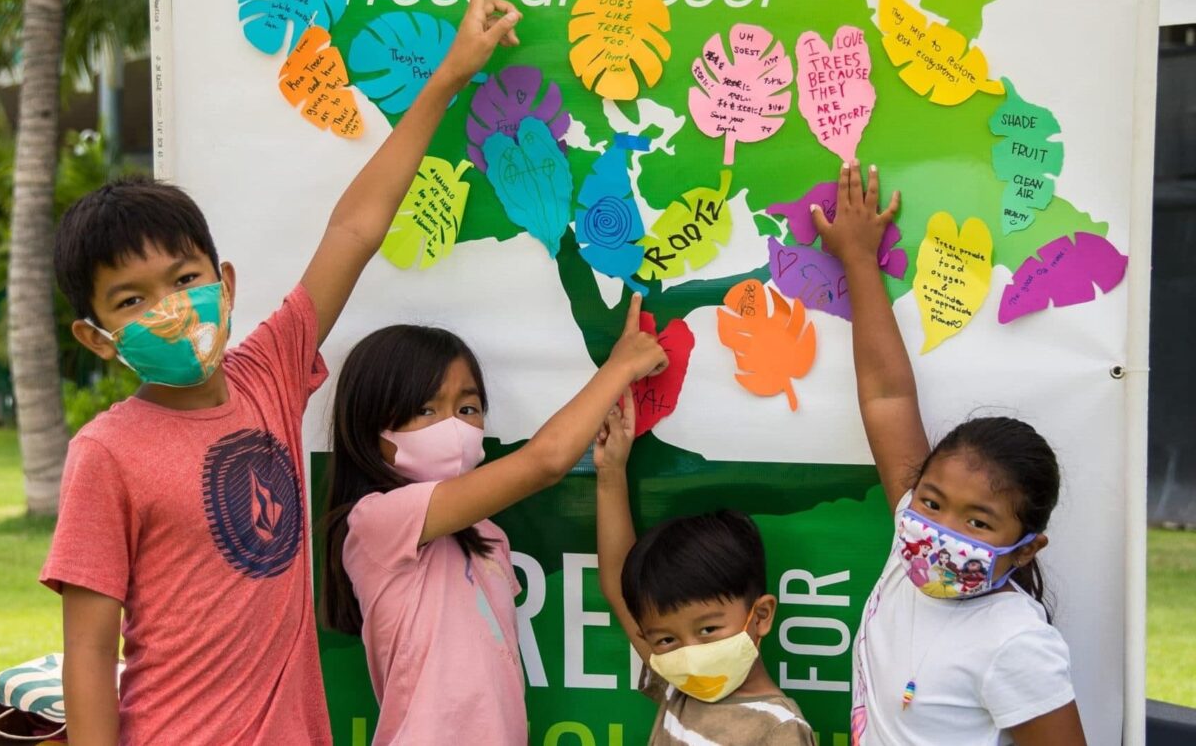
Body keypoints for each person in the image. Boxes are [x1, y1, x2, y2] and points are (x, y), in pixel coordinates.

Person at [39, 0, 522, 746]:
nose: (168, 308)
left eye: (184, 279)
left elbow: (354, 231)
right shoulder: (106, 452)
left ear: (224, 284)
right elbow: (90, 649)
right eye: (131, 300)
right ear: (97, 337)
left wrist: (449, 77)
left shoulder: (267, 373)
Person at [813, 161, 1086, 746]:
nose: (940, 532)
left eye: (979, 521)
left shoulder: (1014, 643)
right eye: (933, 503)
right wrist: (859, 260)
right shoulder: (906, 544)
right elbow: (887, 396)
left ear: (1024, 550)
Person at [319, 294, 666, 744]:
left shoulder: (487, 535)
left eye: (468, 409)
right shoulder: (377, 521)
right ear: (369, 426)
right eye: (425, 410)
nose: (455, 427)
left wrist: (611, 471)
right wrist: (619, 367)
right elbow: (545, 462)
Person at [594, 389, 815, 746]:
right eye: (666, 638)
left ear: (760, 615)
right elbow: (618, 585)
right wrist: (610, 472)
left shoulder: (780, 729)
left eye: (708, 629)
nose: (690, 653)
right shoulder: (678, 684)